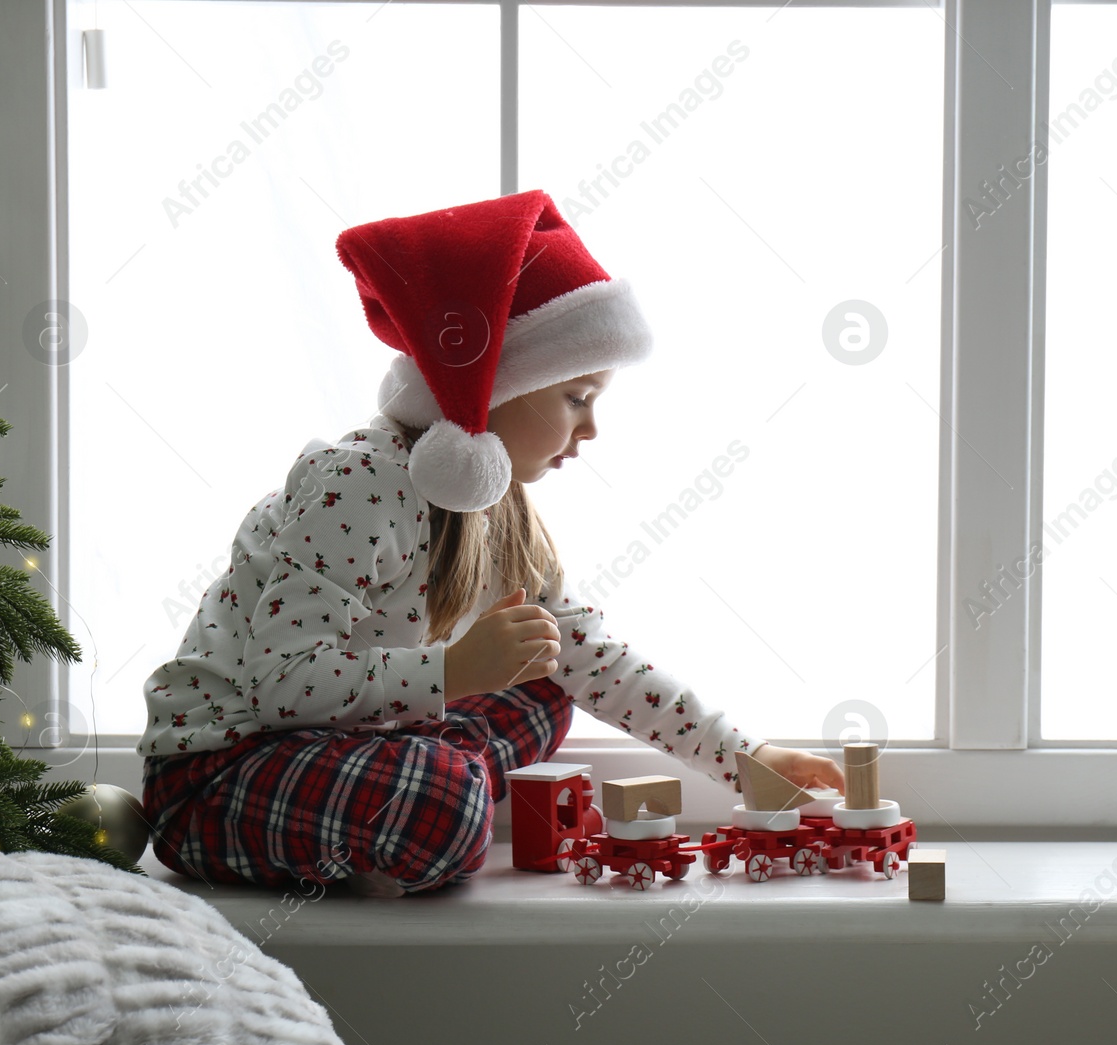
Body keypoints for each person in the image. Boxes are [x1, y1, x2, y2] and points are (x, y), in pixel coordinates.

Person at [136, 190, 844, 897]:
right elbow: (282, 684)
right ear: (497, 383)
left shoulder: (496, 505)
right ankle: (423, 797)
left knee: (542, 680)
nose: (591, 427)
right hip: (222, 770)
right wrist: (450, 672)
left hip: (341, 743)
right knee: (447, 803)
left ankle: (405, 794)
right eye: (576, 397)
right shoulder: (360, 482)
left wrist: (742, 757)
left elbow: (592, 658)